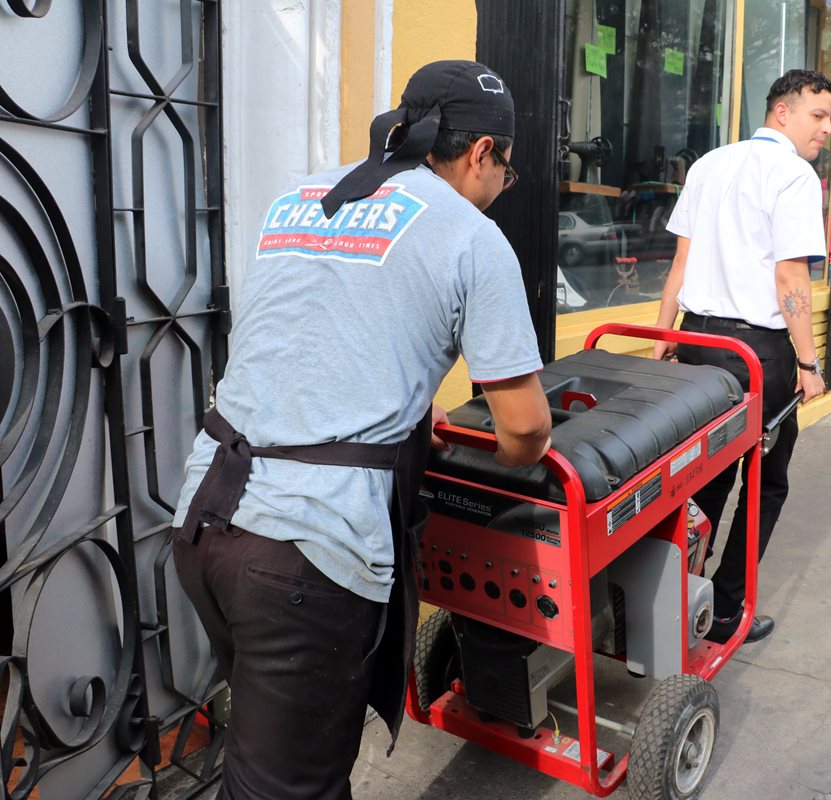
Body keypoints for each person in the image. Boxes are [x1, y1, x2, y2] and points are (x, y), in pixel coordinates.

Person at [171, 60, 553, 799]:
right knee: (290, 786)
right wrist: (509, 449)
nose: (503, 188)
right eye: (506, 169)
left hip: (205, 515)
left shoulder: (302, 194)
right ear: (481, 153)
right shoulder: (470, 237)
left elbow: (309, 335)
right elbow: (526, 430)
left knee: (273, 758)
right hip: (303, 555)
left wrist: (405, 406)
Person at [651, 69, 831, 645]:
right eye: (818, 116)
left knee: (700, 478)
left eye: (829, 119)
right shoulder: (795, 176)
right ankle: (726, 611)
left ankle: (673, 603)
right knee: (764, 482)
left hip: (697, 341)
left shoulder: (708, 164)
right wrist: (808, 363)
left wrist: (661, 338)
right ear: (782, 111)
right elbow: (790, 274)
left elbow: (680, 264)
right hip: (758, 354)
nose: (825, 129)